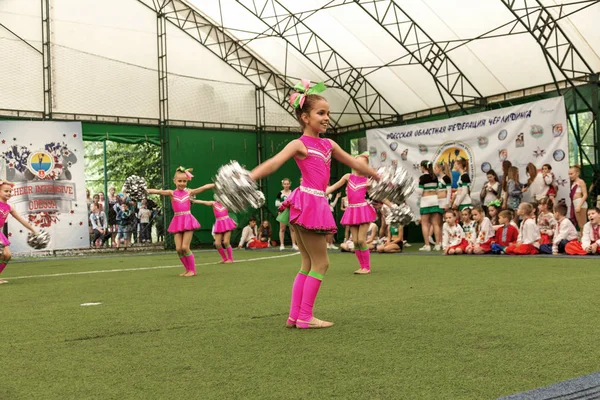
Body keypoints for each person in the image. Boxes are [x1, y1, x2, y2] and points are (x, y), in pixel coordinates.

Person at [249, 79, 379, 329]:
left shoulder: (328, 144)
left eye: (328, 113)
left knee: (307, 263)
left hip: (306, 202)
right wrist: (249, 177)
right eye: (321, 113)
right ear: (305, 117)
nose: (327, 117)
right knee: (322, 263)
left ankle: (294, 316)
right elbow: (274, 163)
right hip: (309, 201)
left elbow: (356, 163)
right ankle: (306, 317)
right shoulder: (299, 144)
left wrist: (378, 175)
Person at [147, 167, 214, 277]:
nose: (182, 183)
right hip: (177, 221)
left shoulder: (189, 192)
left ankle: (192, 270)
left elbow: (203, 188)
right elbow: (158, 191)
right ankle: (187, 269)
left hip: (187, 220)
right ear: (174, 181)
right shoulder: (171, 193)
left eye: (184, 181)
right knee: (178, 249)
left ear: (187, 181)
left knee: (185, 247)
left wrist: (216, 184)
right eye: (179, 181)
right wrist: (145, 190)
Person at [328, 152, 378, 274]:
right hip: (352, 210)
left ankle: (367, 267)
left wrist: (371, 187)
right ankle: (362, 266)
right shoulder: (348, 177)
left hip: (363, 210)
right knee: (354, 241)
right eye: (357, 163)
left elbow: (376, 195)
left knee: (361, 240)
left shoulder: (367, 180)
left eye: (362, 165)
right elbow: (333, 187)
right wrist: (321, 193)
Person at [0, 181, 38, 284]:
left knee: (7, 255)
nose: (9, 193)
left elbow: (21, 220)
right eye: (5, 191)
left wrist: (33, 230)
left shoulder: (9, 207)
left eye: (10, 191)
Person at [417, 160, 441, 252]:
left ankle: (427, 245)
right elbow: (438, 190)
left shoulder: (422, 178)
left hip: (426, 201)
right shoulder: (435, 177)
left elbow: (419, 192)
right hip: (434, 200)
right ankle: (438, 245)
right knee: (436, 223)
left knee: (425, 224)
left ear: (423, 167)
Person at [276, 178, 298, 251]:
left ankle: (294, 244)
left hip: (291, 212)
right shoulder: (280, 193)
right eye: (285, 184)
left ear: (290, 184)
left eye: (287, 184)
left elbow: (295, 201)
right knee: (282, 228)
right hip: (283, 212)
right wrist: (285, 203)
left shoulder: (292, 192)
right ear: (283, 185)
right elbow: (276, 203)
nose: (286, 185)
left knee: (292, 228)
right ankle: (282, 245)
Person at [569, 165, 588, 232]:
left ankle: (585, 240)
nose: (570, 176)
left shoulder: (581, 181)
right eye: (569, 174)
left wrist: (579, 206)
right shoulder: (573, 183)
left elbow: (585, 195)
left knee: (583, 225)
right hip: (575, 204)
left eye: (571, 174)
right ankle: (582, 240)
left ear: (577, 173)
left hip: (580, 204)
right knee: (580, 225)